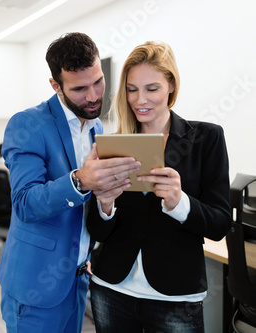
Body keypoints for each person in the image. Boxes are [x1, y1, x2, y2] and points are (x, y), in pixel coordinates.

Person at [0, 32, 140, 332]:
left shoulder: (96, 126)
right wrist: (79, 181)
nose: (92, 96)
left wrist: (106, 200)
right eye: (79, 89)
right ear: (56, 85)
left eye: (98, 82)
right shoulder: (27, 124)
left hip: (76, 280)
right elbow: (25, 203)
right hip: (36, 286)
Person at [87, 41, 231, 332]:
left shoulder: (206, 139)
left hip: (175, 296)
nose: (140, 99)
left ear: (171, 87)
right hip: (112, 288)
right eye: (132, 89)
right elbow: (97, 230)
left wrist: (180, 202)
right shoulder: (114, 144)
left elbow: (220, 224)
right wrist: (104, 204)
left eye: (152, 88)